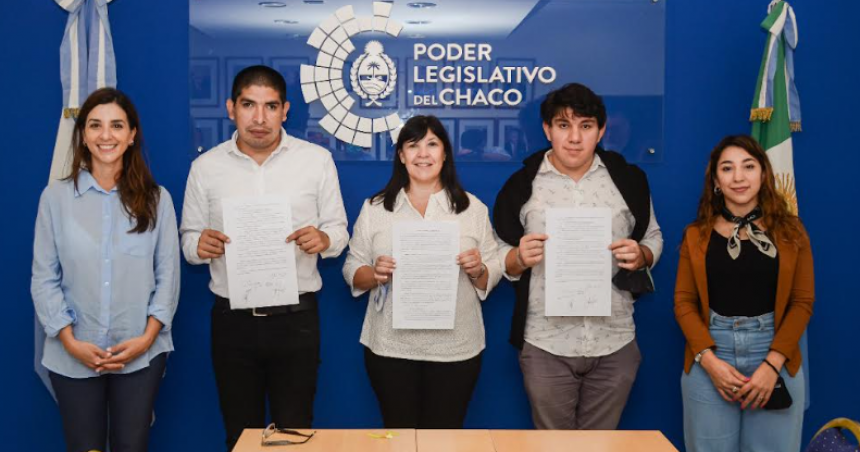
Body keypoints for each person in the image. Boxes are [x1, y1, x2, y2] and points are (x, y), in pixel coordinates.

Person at [180, 65, 348, 450]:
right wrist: (198, 245)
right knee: (240, 436)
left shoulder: (316, 160)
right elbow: (189, 240)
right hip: (232, 321)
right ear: (231, 108)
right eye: (248, 105)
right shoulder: (205, 168)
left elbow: (339, 232)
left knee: (294, 434)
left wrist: (323, 238)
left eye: (270, 106)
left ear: (285, 110)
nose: (259, 118)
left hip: (297, 319)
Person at [493, 82, 663, 430]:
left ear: (601, 131)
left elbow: (653, 237)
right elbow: (497, 252)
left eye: (585, 126)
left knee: (600, 446)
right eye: (563, 125)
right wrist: (517, 258)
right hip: (545, 342)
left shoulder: (628, 180)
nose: (574, 137)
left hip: (614, 341)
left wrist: (642, 254)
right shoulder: (521, 184)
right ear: (547, 130)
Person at [31, 87, 180, 452]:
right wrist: (69, 341)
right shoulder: (55, 199)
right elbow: (44, 277)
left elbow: (168, 278)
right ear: (83, 135)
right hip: (73, 353)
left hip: (140, 352)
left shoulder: (157, 200)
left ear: (131, 135)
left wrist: (146, 339)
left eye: (116, 125)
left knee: (132, 445)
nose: (106, 135)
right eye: (95, 125)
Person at [342, 115, 502, 428]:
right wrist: (373, 274)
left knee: (445, 438)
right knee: (398, 435)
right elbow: (351, 266)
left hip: (456, 348)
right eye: (413, 146)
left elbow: (492, 269)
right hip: (390, 347)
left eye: (432, 144)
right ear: (401, 155)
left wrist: (478, 268)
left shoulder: (473, 208)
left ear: (445, 153)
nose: (423, 154)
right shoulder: (375, 208)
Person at [675, 135, 813, 452]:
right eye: (727, 168)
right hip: (711, 354)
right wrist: (709, 362)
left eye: (748, 166)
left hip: (775, 352)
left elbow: (802, 302)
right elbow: (684, 303)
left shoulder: (792, 231)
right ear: (715, 181)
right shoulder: (696, 235)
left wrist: (771, 365)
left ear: (763, 174)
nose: (739, 177)